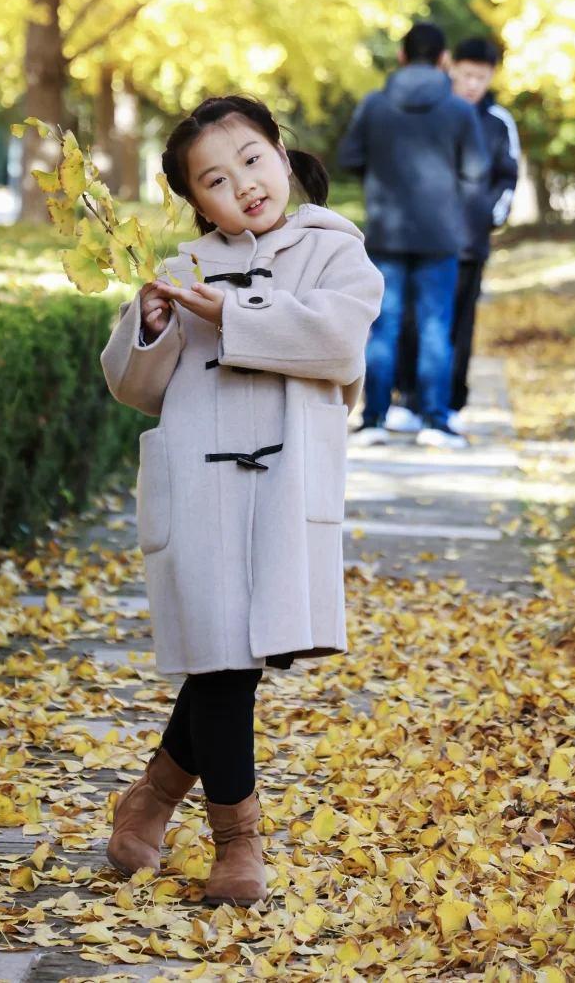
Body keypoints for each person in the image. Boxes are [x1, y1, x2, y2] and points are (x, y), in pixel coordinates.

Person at [100, 96, 383, 906]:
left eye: (253, 160)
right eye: (216, 181)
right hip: (198, 482)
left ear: (282, 155)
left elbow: (338, 344)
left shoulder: (335, 250)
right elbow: (134, 387)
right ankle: (237, 842)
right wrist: (150, 326)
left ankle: (150, 800)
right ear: (197, 202)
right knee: (224, 663)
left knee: (235, 661)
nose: (245, 186)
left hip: (286, 484)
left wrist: (241, 312)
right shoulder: (184, 268)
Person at [338, 22, 487, 447]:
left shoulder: (374, 105)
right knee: (437, 328)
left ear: (402, 56)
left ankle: (374, 420)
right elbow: (476, 172)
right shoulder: (460, 111)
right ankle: (434, 422)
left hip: (386, 232)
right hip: (440, 236)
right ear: (444, 60)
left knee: (382, 328)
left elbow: (350, 156)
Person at [387, 36, 520, 432]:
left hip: (467, 246)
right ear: (451, 69)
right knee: (413, 320)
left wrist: (487, 218)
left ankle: (448, 406)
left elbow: (508, 177)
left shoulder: (498, 122)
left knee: (456, 329)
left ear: (491, 77)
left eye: (482, 78)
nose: (473, 85)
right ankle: (407, 400)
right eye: (466, 75)